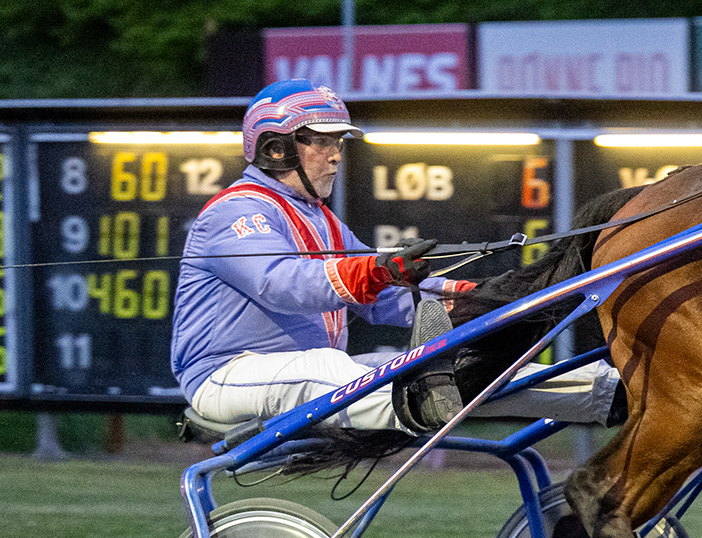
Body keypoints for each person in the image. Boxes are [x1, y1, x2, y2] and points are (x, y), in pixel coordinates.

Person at [171, 79, 619, 434]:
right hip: (224, 376)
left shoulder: (322, 221)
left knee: (457, 364)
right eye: (321, 143)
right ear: (275, 148)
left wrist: (473, 299)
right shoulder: (236, 212)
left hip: (305, 379)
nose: (335, 157)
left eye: (339, 144)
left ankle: (612, 392)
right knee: (329, 368)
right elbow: (284, 284)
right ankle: (425, 401)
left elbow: (385, 295)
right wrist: (376, 269)